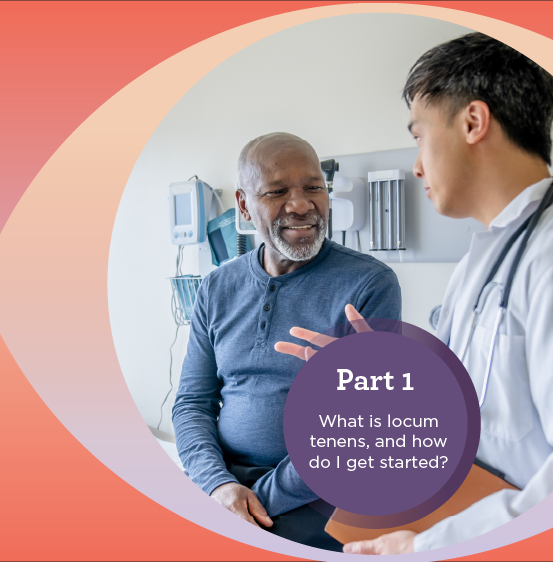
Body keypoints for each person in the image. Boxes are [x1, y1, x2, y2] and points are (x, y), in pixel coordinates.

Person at [279, 33, 553, 554]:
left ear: (474, 122)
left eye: (419, 136)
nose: (417, 166)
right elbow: (473, 402)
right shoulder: (484, 256)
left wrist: (427, 545)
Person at [172, 132, 402, 551]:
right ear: (244, 205)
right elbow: (192, 403)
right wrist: (217, 484)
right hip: (224, 482)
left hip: (317, 493)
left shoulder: (369, 284)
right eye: (277, 192)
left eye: (314, 187)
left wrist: (255, 503)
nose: (301, 204)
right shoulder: (217, 287)